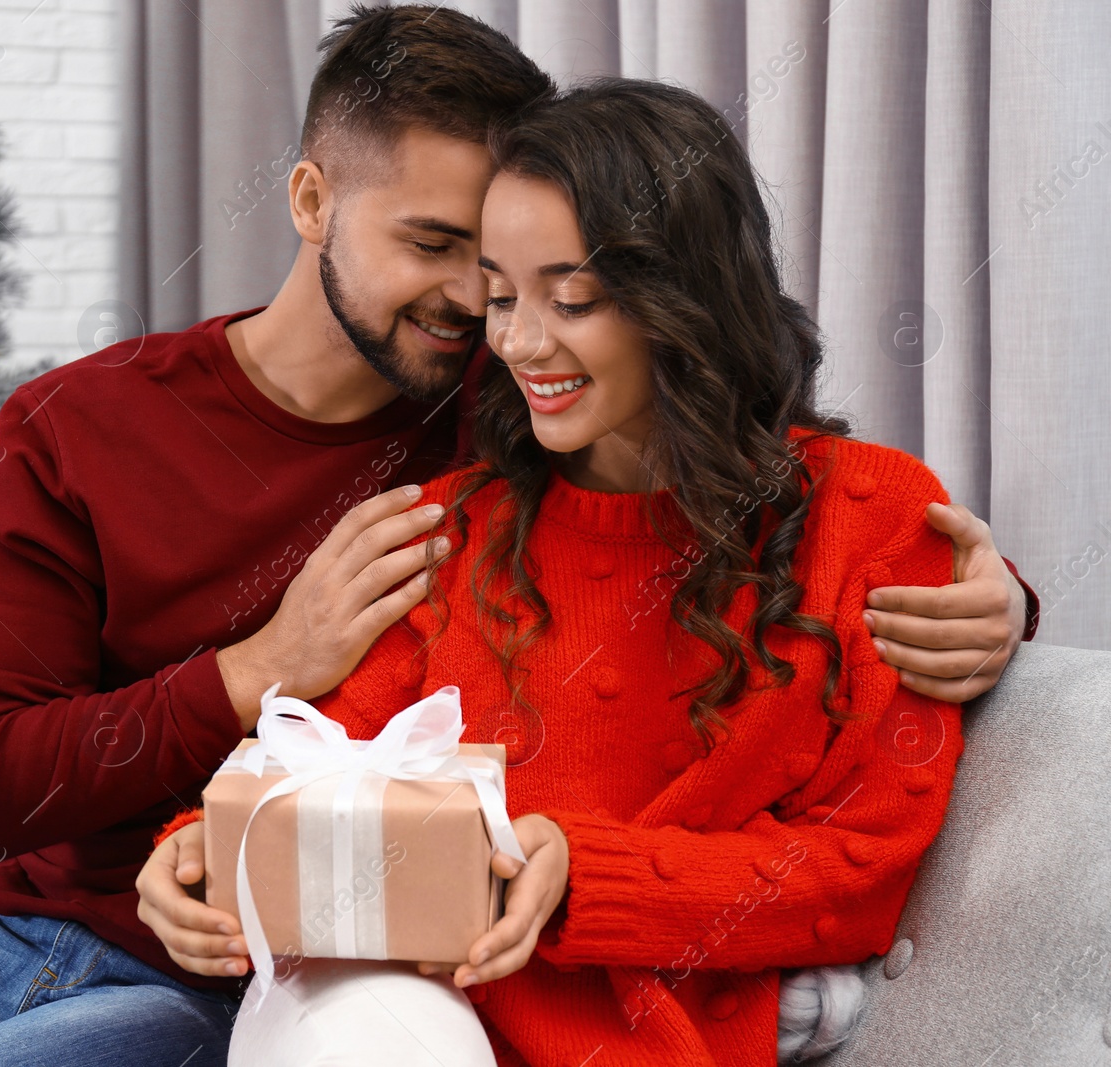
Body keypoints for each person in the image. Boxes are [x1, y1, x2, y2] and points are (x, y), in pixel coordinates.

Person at [0, 7, 1033, 1066]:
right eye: (444, 254)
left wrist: (998, 596)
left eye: (513, 273)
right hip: (22, 917)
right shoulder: (91, 428)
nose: (485, 318)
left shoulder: (500, 427)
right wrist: (253, 670)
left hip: (233, 981)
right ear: (310, 199)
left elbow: (757, 486)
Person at [140, 75, 974, 1066]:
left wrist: (586, 871)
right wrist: (203, 844)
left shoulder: (871, 515)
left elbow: (862, 870)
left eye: (571, 298)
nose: (520, 342)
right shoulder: (455, 529)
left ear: (687, 296)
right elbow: (337, 758)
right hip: (404, 1011)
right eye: (499, 294)